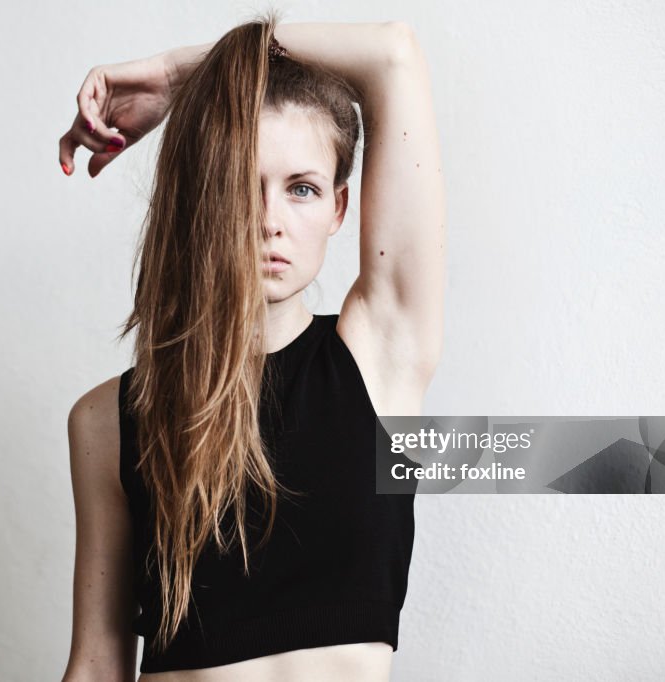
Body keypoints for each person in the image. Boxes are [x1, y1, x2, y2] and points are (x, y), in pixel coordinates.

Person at [57, 11, 445, 682]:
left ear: (339, 209)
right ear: (200, 200)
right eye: (241, 185)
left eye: (302, 189)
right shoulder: (104, 423)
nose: (270, 221)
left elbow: (393, 55)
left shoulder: (380, 357)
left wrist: (184, 73)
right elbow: (96, 665)